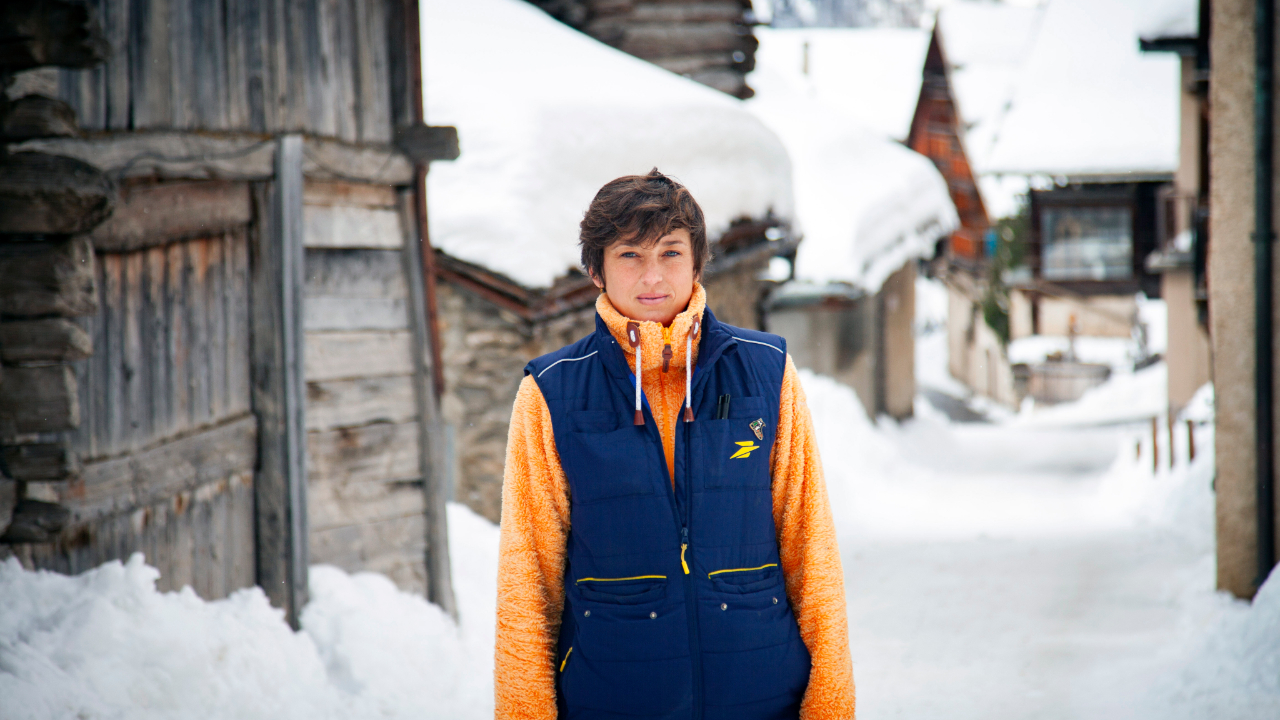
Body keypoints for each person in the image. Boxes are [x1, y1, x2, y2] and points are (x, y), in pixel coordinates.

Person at [494, 169, 855, 720]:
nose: (653, 276)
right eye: (629, 255)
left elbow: (812, 550)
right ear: (596, 270)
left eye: (670, 252)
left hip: (761, 698)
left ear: (697, 263)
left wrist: (831, 707)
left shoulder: (766, 372)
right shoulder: (552, 391)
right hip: (612, 700)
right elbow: (528, 580)